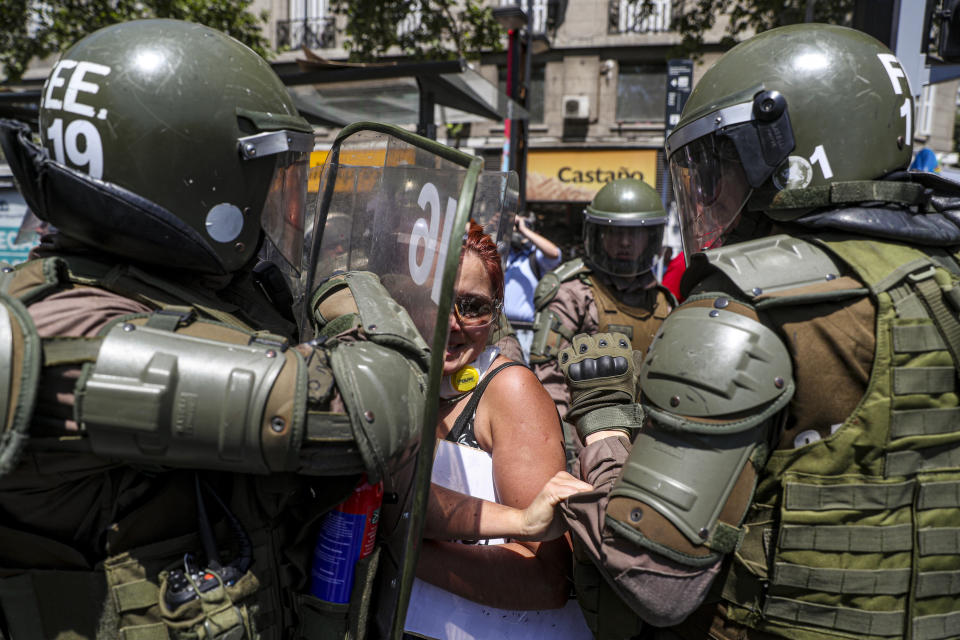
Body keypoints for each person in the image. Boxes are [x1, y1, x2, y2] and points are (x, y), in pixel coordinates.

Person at [0, 19, 577, 639]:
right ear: (192, 174)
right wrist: (345, 281)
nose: (276, 208)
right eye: (267, 176)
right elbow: (370, 417)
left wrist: (515, 522)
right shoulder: (79, 334)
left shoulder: (142, 294)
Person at [558, 23, 960, 640]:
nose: (711, 190)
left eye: (719, 165)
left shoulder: (751, 300)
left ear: (788, 157)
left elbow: (654, 580)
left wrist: (606, 430)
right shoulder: (940, 280)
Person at [413, 221, 575, 610]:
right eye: (435, 300)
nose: (452, 323)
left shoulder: (510, 392)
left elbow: (549, 578)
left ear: (496, 311)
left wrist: (402, 552)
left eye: (473, 307)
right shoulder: (391, 376)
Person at [530, 178, 675, 418]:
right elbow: (548, 377)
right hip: (588, 439)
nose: (625, 242)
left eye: (635, 234)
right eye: (616, 232)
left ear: (650, 238)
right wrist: (563, 444)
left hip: (647, 440)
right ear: (599, 235)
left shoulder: (661, 302)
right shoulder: (574, 294)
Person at [504, 214, 562, 362]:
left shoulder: (535, 258)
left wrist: (524, 230)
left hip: (525, 331)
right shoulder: (503, 255)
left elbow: (555, 254)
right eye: (514, 228)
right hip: (500, 328)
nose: (516, 231)